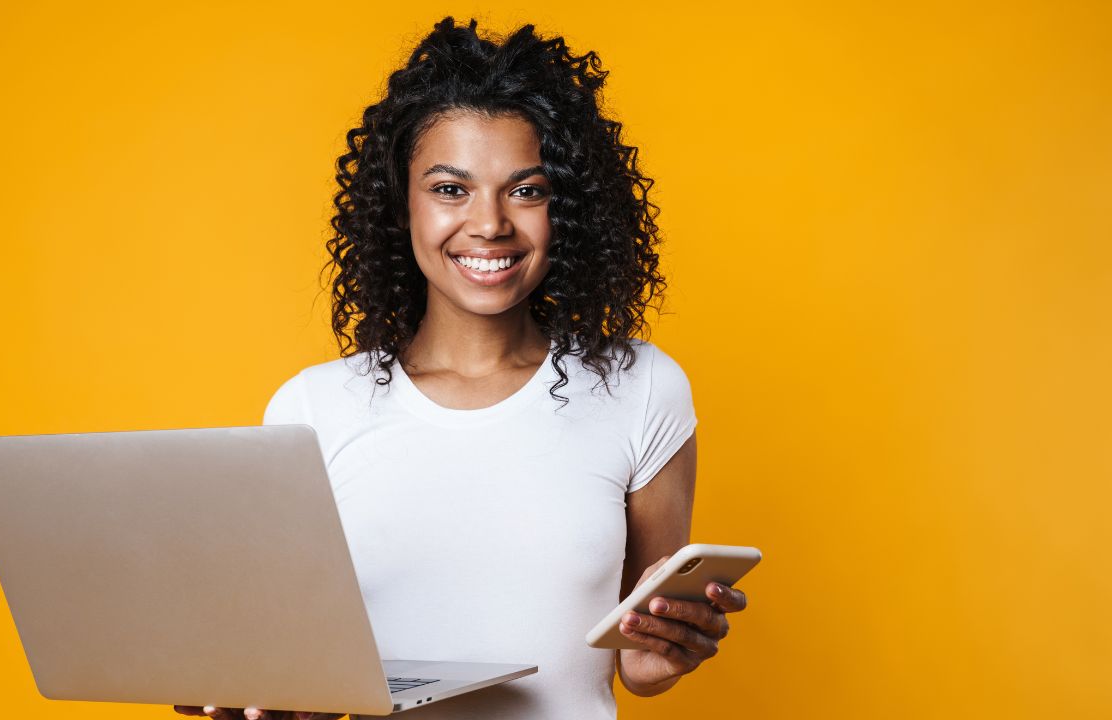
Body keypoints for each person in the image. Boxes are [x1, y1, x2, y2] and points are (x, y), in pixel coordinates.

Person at [174, 16, 749, 720]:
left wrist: (660, 653)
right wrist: (269, 695)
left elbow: (641, 657)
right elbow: (293, 661)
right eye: (451, 189)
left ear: (566, 208)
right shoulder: (313, 409)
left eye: (527, 190)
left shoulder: (640, 388)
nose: (490, 224)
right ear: (401, 205)